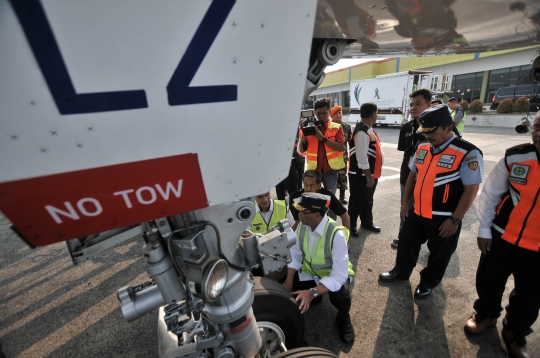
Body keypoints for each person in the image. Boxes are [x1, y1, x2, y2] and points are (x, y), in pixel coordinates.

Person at [379, 104, 484, 299]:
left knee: (439, 255)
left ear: (449, 128)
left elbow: (471, 190)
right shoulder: (423, 146)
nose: (428, 137)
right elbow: (413, 175)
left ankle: (427, 282)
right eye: (425, 132)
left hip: (444, 218)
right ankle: (401, 272)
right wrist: (405, 202)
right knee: (406, 246)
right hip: (416, 212)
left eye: (433, 132)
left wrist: (455, 219)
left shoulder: (468, 152)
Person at [463, 114, 540, 357]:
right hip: (501, 237)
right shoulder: (516, 156)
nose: (538, 133)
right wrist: (484, 229)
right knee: (489, 279)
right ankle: (486, 314)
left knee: (530, 294)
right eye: (537, 127)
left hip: (537, 247)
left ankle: (514, 332)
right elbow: (490, 194)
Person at [283, 192, 356, 343]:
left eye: (303, 212)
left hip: (332, 276)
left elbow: (339, 275)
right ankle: (315, 296)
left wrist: (311, 292)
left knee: (340, 297)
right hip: (310, 273)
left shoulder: (337, 234)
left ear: (317, 215)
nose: (299, 215)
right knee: (288, 286)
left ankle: (343, 316)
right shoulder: (303, 226)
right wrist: (289, 280)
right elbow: (295, 253)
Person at [392, 89, 432, 248]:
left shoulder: (440, 128)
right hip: (407, 175)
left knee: (429, 210)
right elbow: (405, 151)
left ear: (428, 105)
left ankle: (430, 241)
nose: (413, 108)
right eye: (411, 105)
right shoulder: (406, 127)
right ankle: (404, 237)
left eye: (418, 104)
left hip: (430, 179)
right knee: (406, 207)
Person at [347, 102, 384, 237]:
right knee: (356, 202)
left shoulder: (368, 130)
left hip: (371, 174)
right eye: (377, 113)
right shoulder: (361, 132)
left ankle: (367, 222)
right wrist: (368, 176)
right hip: (361, 175)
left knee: (368, 200)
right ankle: (350, 226)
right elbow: (361, 158)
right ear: (373, 114)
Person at [298, 98, 345, 194]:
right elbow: (302, 149)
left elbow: (341, 147)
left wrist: (322, 138)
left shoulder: (337, 127)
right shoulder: (308, 127)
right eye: (319, 114)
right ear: (314, 112)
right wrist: (303, 131)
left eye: (324, 113)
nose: (321, 116)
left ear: (329, 112)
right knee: (312, 199)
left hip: (330, 170)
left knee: (329, 199)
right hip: (313, 171)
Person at [330, 105, 352, 204]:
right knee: (331, 177)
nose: (338, 115)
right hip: (331, 157)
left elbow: (350, 143)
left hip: (343, 157)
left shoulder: (346, 127)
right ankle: (331, 197)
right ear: (332, 116)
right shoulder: (329, 127)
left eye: (340, 113)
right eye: (336, 114)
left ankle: (342, 196)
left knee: (342, 177)